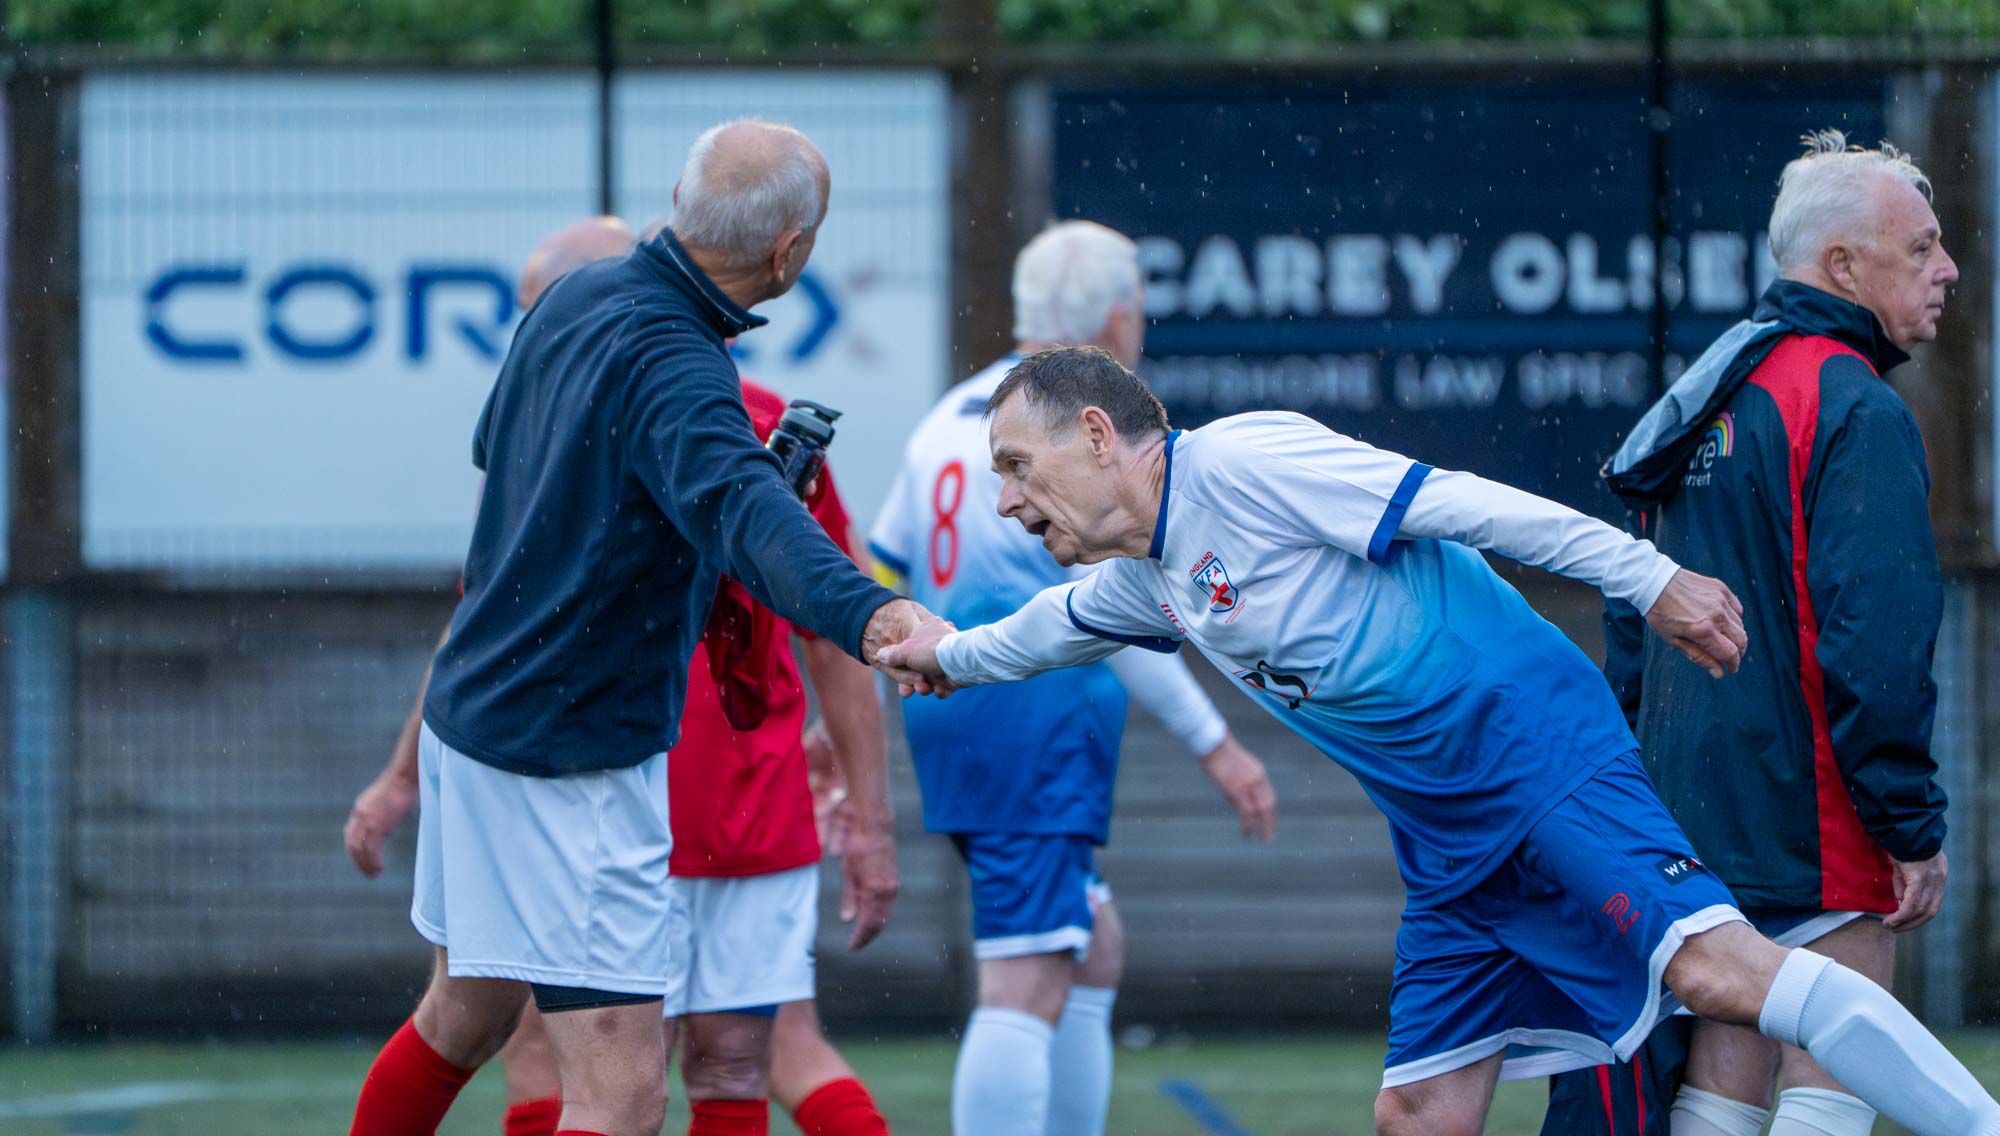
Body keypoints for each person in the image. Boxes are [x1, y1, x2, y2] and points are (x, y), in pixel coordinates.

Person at [872, 346, 2000, 1136]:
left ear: (1095, 433)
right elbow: (1033, 634)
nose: (1005, 502)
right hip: (1452, 845)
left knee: (1721, 973)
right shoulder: (1147, 578)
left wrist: (1649, 576)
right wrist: (942, 651)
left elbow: (1467, 502)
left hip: (1537, 758)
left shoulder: (1244, 463)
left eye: (1014, 466)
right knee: (1416, 1112)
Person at [345, 119, 932, 1136]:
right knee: (620, 1092)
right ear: (788, 251)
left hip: (471, 727)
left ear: (679, 202)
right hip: (569, 755)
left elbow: (509, 454)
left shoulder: (573, 298)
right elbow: (751, 515)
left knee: (463, 1015)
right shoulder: (684, 368)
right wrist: (879, 613)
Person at [1583, 130, 1961, 1136]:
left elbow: (1629, 613)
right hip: (1812, 803)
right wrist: (1908, 823)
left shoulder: (1701, 391)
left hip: (1689, 799)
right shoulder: (1850, 402)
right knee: (1837, 1069)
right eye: (1921, 247)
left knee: (1725, 1070)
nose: (1948, 270)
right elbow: (1874, 643)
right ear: (1844, 264)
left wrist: (1649, 779)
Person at [866, 222, 1277, 1136]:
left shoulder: (951, 416)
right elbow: (1110, 612)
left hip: (959, 717)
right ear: (1119, 320)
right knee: (1027, 975)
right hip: (1030, 719)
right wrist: (1217, 744)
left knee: (1091, 948)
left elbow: (884, 565)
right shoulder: (1069, 436)